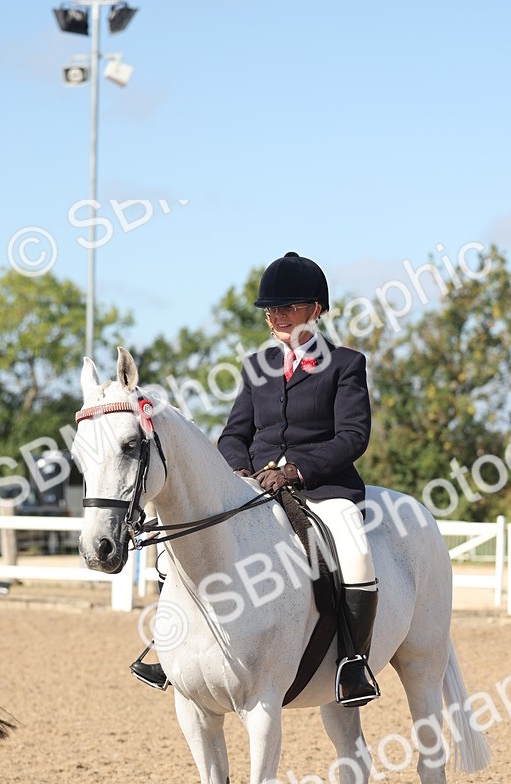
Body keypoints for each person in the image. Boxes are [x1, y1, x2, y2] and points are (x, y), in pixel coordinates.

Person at [131, 251, 379, 706]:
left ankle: (353, 662)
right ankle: (166, 649)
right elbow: (234, 433)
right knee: (173, 550)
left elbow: (353, 437)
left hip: (322, 488)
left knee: (354, 552)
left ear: (316, 309)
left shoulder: (346, 364)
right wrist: (239, 470)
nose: (277, 316)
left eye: (288, 307)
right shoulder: (255, 366)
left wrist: (296, 470)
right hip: (257, 487)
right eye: (272, 309)